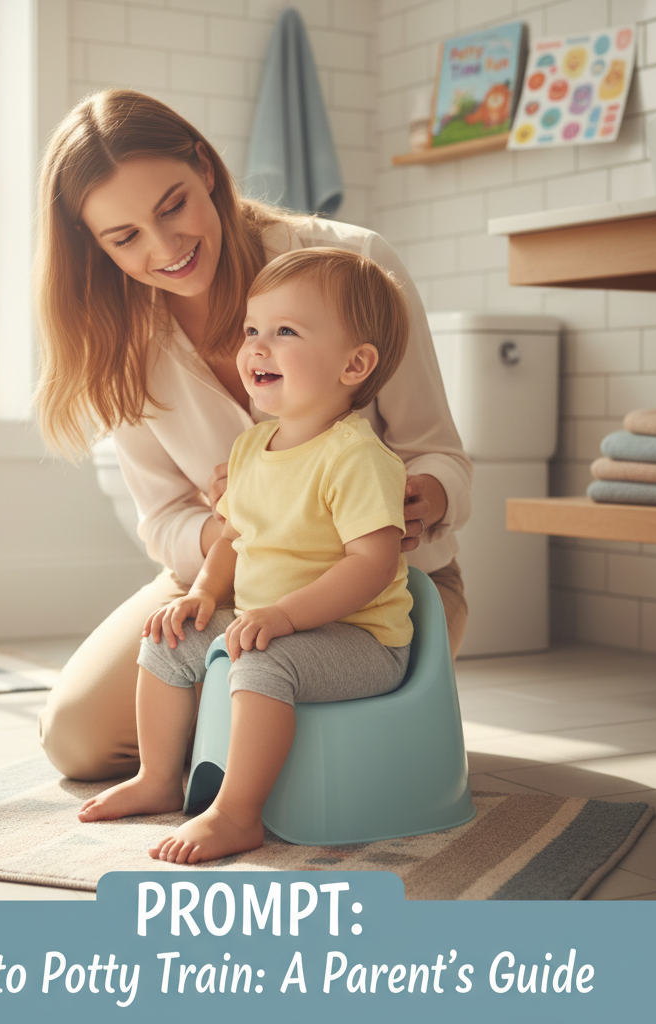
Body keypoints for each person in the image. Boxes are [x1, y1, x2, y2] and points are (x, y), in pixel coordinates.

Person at [34, 89, 471, 782]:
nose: (165, 247)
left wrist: (423, 496)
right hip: (233, 577)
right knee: (77, 740)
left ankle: (241, 744)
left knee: (270, 705)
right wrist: (235, 521)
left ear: (205, 168)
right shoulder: (122, 341)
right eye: (125, 238)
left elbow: (439, 451)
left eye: (172, 206)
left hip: (383, 587)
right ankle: (213, 741)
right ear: (95, 245)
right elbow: (163, 519)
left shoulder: (352, 264)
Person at [78, 247, 414, 863]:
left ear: (354, 364)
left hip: (361, 640)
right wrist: (204, 594)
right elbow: (233, 538)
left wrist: (284, 616)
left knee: (262, 662)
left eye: (285, 332)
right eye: (252, 330)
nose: (257, 347)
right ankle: (159, 779)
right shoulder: (251, 449)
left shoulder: (357, 458)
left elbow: (373, 565)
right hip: (270, 625)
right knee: (168, 638)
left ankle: (237, 813)